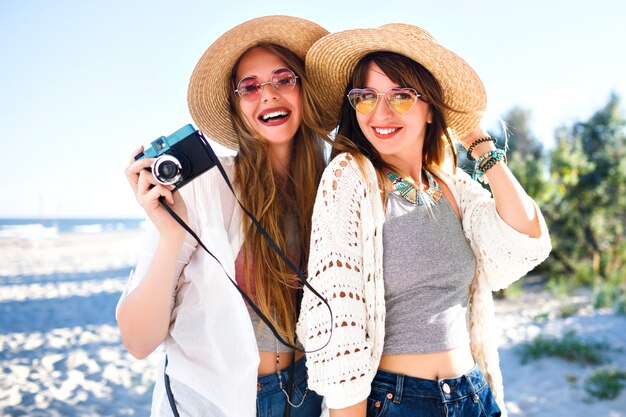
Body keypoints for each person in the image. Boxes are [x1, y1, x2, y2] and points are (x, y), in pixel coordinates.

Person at [296, 24, 552, 417]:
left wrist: (477, 141)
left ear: (430, 108)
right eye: (365, 98)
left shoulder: (450, 185)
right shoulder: (351, 177)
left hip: (473, 394)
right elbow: (337, 321)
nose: (380, 113)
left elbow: (526, 239)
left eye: (400, 96)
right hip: (398, 400)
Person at [118, 16, 329, 417]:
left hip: (310, 397)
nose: (267, 95)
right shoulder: (204, 186)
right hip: (222, 401)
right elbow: (138, 341)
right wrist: (169, 234)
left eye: (284, 79)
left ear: (305, 89)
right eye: (249, 87)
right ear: (236, 104)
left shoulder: (332, 186)